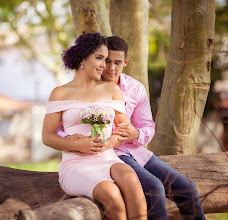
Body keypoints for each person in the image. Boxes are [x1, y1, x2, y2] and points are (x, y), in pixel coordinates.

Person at [58, 36, 205, 220]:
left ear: (125, 62)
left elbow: (148, 126)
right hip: (109, 155)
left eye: (117, 62)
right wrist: (71, 140)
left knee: (187, 189)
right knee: (154, 188)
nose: (111, 68)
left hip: (137, 152)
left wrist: (137, 133)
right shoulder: (88, 87)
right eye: (107, 61)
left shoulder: (135, 88)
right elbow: (63, 123)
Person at [42, 33, 147, 220]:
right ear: (82, 57)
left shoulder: (112, 89)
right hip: (76, 164)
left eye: (105, 60)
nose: (104, 65)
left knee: (131, 179)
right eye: (99, 58)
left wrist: (106, 144)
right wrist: (76, 145)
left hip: (108, 157)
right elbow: (47, 136)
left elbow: (123, 128)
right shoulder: (60, 93)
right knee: (112, 195)